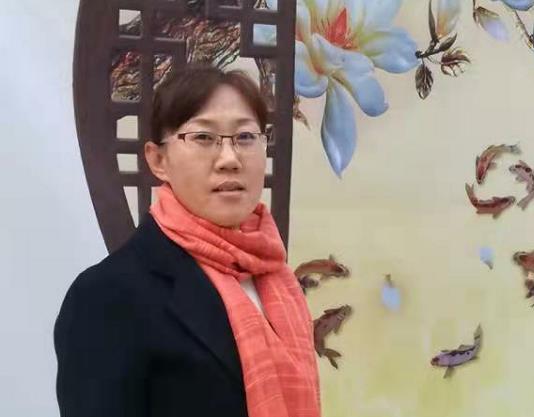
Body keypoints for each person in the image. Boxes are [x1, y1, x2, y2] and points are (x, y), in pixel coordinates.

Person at [53, 63, 321, 417]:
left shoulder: (276, 280)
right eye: (203, 138)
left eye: (245, 137)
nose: (229, 159)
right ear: (158, 160)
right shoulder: (108, 295)